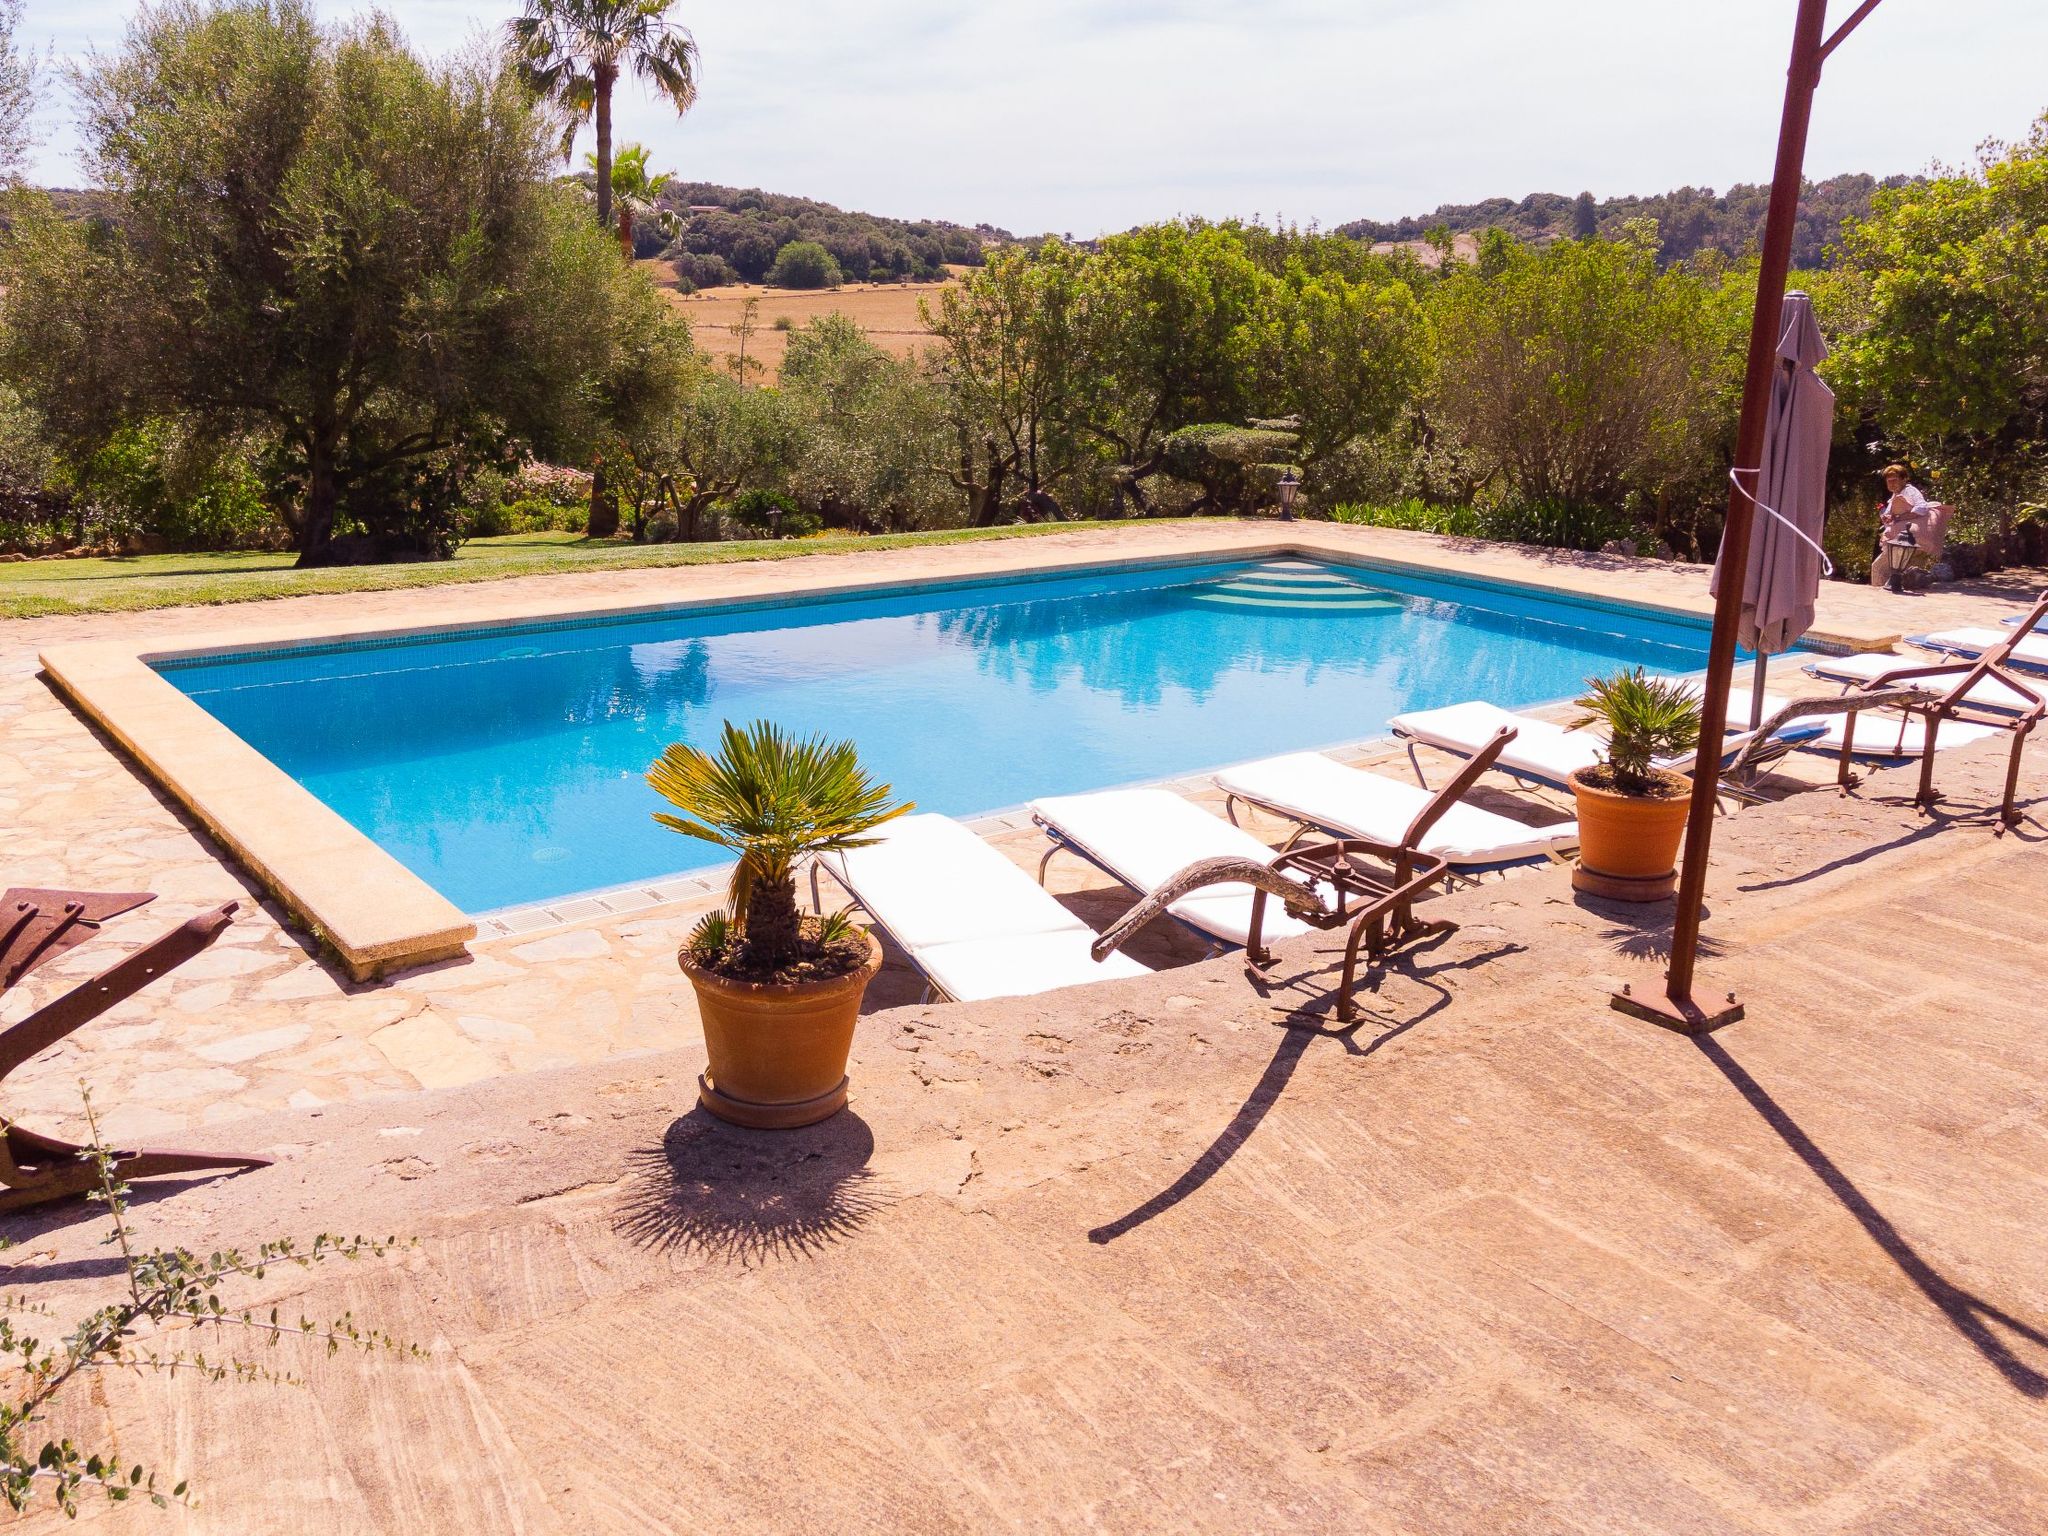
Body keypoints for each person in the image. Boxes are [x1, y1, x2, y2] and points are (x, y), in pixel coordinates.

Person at [1869, 463, 1930, 588]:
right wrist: (1887, 517)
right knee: (1897, 574)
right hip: (1902, 542)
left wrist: (1898, 517)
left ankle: (1879, 595)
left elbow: (1922, 508)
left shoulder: (1910, 491)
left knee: (1879, 568)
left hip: (1909, 541)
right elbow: (1890, 516)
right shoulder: (1896, 495)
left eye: (1894, 480)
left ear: (1904, 479)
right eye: (1889, 481)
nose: (1891, 484)